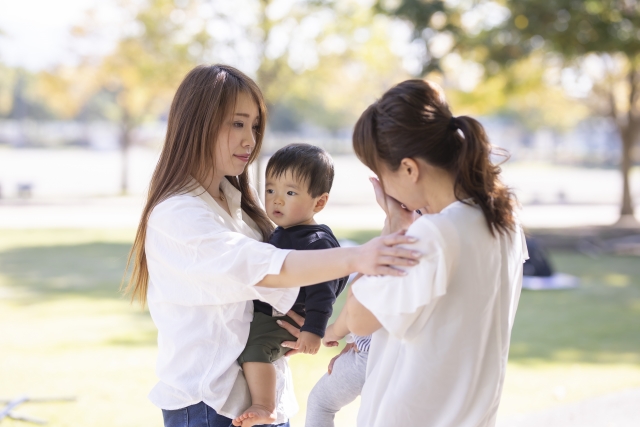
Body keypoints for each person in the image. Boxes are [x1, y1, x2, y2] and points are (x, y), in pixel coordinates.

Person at [121, 64, 421, 427]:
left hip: (266, 402)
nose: (250, 140)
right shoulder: (178, 214)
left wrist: (309, 328)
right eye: (237, 123)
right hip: (209, 404)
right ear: (197, 123)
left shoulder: (240, 207)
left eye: (255, 126)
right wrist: (360, 256)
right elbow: (268, 265)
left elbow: (301, 273)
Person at [327, 79, 529, 426]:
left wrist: (393, 224)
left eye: (380, 173)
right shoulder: (504, 222)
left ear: (408, 168)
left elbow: (360, 316)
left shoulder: (435, 235)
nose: (382, 186)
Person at [233, 143, 349, 427]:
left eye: (290, 192)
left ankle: (264, 405)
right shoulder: (283, 232)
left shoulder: (315, 241)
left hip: (281, 317)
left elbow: (324, 293)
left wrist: (313, 331)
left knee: (255, 350)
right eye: (270, 190)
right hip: (271, 310)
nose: (277, 200)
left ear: (319, 202)